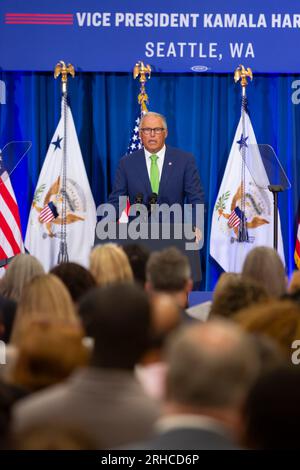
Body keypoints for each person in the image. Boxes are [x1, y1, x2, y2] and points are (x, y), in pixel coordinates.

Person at [108, 112, 204, 240]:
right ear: (140, 134)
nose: (152, 134)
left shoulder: (184, 160)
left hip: (174, 236)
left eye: (157, 130)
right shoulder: (126, 163)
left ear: (166, 133)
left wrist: (195, 225)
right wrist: (106, 225)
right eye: (147, 130)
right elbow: (117, 201)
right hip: (137, 237)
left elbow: (196, 198)